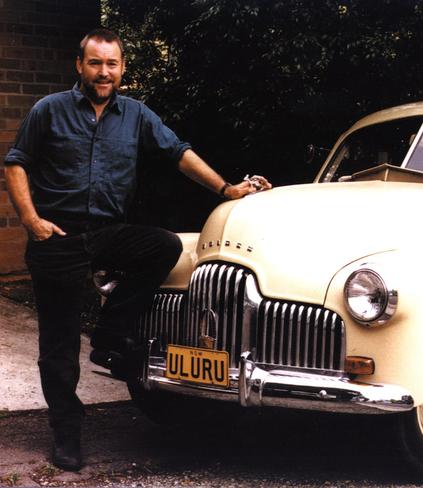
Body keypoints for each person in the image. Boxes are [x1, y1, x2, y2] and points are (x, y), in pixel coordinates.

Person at [3, 28, 271, 472]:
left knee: (162, 246)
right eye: (95, 63)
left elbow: (179, 153)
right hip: (59, 237)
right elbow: (16, 163)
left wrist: (227, 190)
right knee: (59, 347)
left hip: (109, 232)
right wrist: (31, 222)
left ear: (122, 68)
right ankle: (67, 435)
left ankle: (111, 329)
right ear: (80, 65)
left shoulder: (136, 115)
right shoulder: (49, 110)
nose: (103, 72)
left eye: (111, 64)